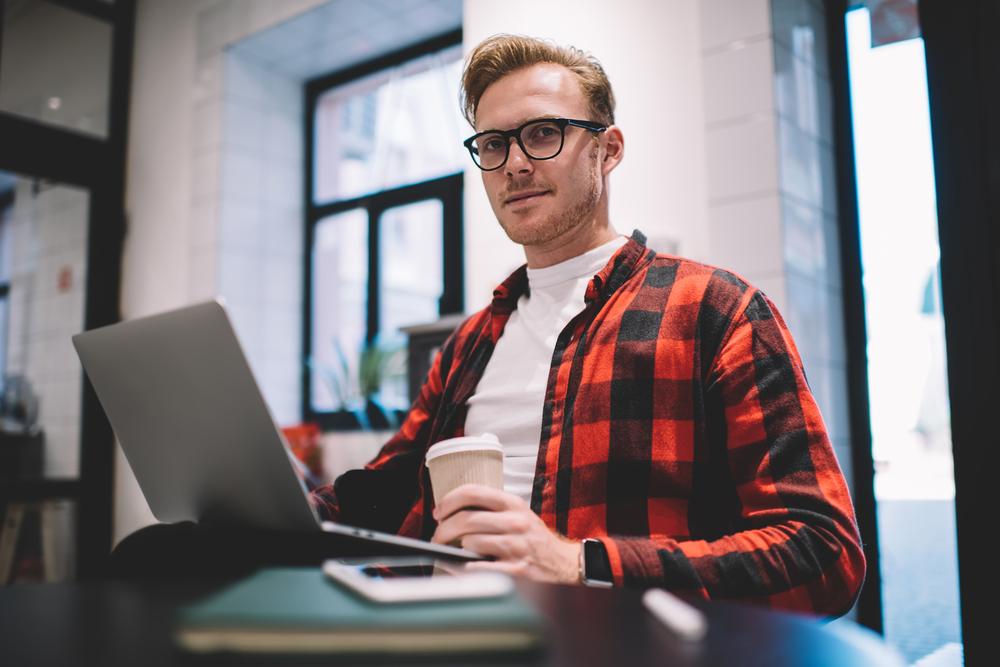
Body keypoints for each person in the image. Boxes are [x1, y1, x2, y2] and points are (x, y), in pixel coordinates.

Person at [310, 34, 865, 617]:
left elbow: (824, 555)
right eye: (493, 144)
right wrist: (280, 516)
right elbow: (388, 489)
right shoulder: (469, 344)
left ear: (609, 149)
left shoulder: (716, 312)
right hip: (460, 638)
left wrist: (580, 566)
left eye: (544, 133)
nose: (516, 164)